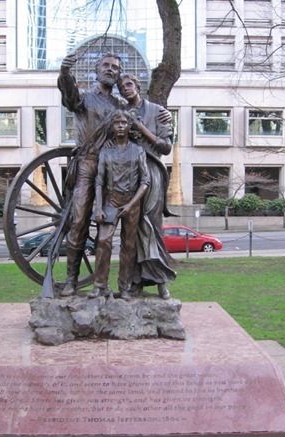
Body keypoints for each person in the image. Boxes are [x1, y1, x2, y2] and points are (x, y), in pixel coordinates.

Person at [57, 51, 125, 297]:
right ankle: (71, 281)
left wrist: (162, 116)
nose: (110, 70)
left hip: (112, 171)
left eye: (115, 67)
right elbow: (69, 95)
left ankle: (101, 283)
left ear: (118, 74)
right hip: (86, 165)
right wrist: (65, 73)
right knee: (78, 223)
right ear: (97, 71)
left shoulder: (121, 106)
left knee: (106, 228)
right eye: (106, 66)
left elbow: (139, 122)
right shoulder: (84, 100)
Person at [117, 73, 176, 300]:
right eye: (122, 87)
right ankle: (135, 282)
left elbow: (166, 148)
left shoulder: (156, 111)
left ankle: (160, 280)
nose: (125, 88)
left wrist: (142, 129)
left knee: (150, 225)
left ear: (138, 86)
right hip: (128, 174)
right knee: (130, 230)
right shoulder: (121, 112)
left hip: (151, 171)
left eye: (129, 84)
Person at [87, 111, 150, 301]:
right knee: (103, 241)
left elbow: (145, 181)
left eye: (124, 122)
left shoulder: (138, 151)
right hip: (111, 201)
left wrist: (131, 204)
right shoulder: (106, 151)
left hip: (132, 202)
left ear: (129, 126)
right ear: (112, 127)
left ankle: (125, 287)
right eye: (117, 123)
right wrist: (98, 207)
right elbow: (99, 180)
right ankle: (100, 285)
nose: (121, 126)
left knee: (128, 246)